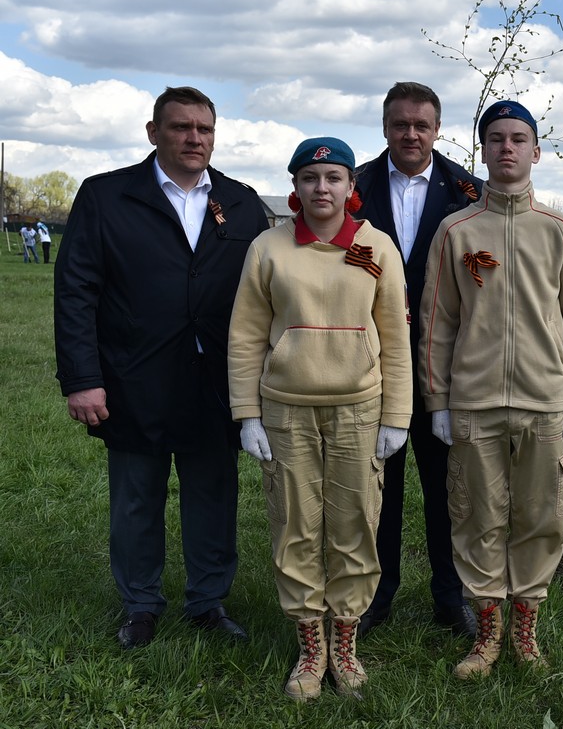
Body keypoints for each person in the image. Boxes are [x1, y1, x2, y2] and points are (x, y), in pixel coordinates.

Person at [54, 85, 267, 650]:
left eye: (204, 129)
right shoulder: (107, 196)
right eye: (180, 127)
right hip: (131, 378)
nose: (194, 138)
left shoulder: (241, 202)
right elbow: (75, 290)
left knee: (213, 497)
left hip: (215, 383)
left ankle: (207, 601)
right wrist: (82, 378)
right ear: (154, 132)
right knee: (136, 499)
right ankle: (140, 604)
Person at [420, 99, 563, 678]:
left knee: (539, 515)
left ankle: (526, 629)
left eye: (518, 139)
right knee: (477, 517)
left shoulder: (560, 231)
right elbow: (437, 321)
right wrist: (437, 400)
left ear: (536, 151)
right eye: (495, 138)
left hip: (543, 401)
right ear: (482, 149)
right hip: (472, 403)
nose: (507, 148)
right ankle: (486, 633)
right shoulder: (456, 231)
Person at [228, 138, 410, 699]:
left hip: (359, 408)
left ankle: (346, 644)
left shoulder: (377, 246)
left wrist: (396, 415)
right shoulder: (268, 247)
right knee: (295, 526)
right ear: (296, 186)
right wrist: (247, 413)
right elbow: (246, 335)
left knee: (356, 523)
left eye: (334, 177)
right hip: (286, 409)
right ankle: (311, 647)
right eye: (311, 178)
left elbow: (398, 337)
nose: (322, 188)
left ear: (352, 187)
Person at [353, 82, 482, 639]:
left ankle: (449, 597)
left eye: (421, 125)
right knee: (377, 485)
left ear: (437, 129)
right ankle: (377, 593)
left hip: (442, 365)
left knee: (446, 487)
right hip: (367, 362)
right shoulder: (350, 185)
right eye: (400, 124)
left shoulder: (467, 191)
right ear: (385, 127)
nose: (410, 134)